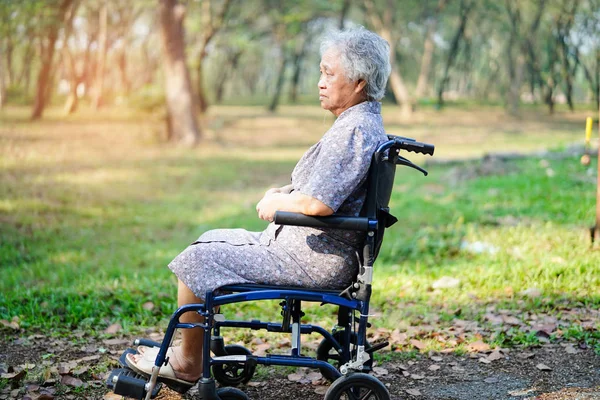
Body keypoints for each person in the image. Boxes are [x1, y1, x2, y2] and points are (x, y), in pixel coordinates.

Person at [126, 26, 392, 388]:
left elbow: (319, 202)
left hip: (313, 260)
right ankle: (193, 346)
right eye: (321, 71)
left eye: (329, 73)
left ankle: (188, 363)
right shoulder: (357, 123)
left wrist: (279, 203)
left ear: (359, 82)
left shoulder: (355, 130)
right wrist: (284, 190)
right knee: (208, 240)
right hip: (308, 249)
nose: (320, 81)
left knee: (197, 260)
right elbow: (325, 188)